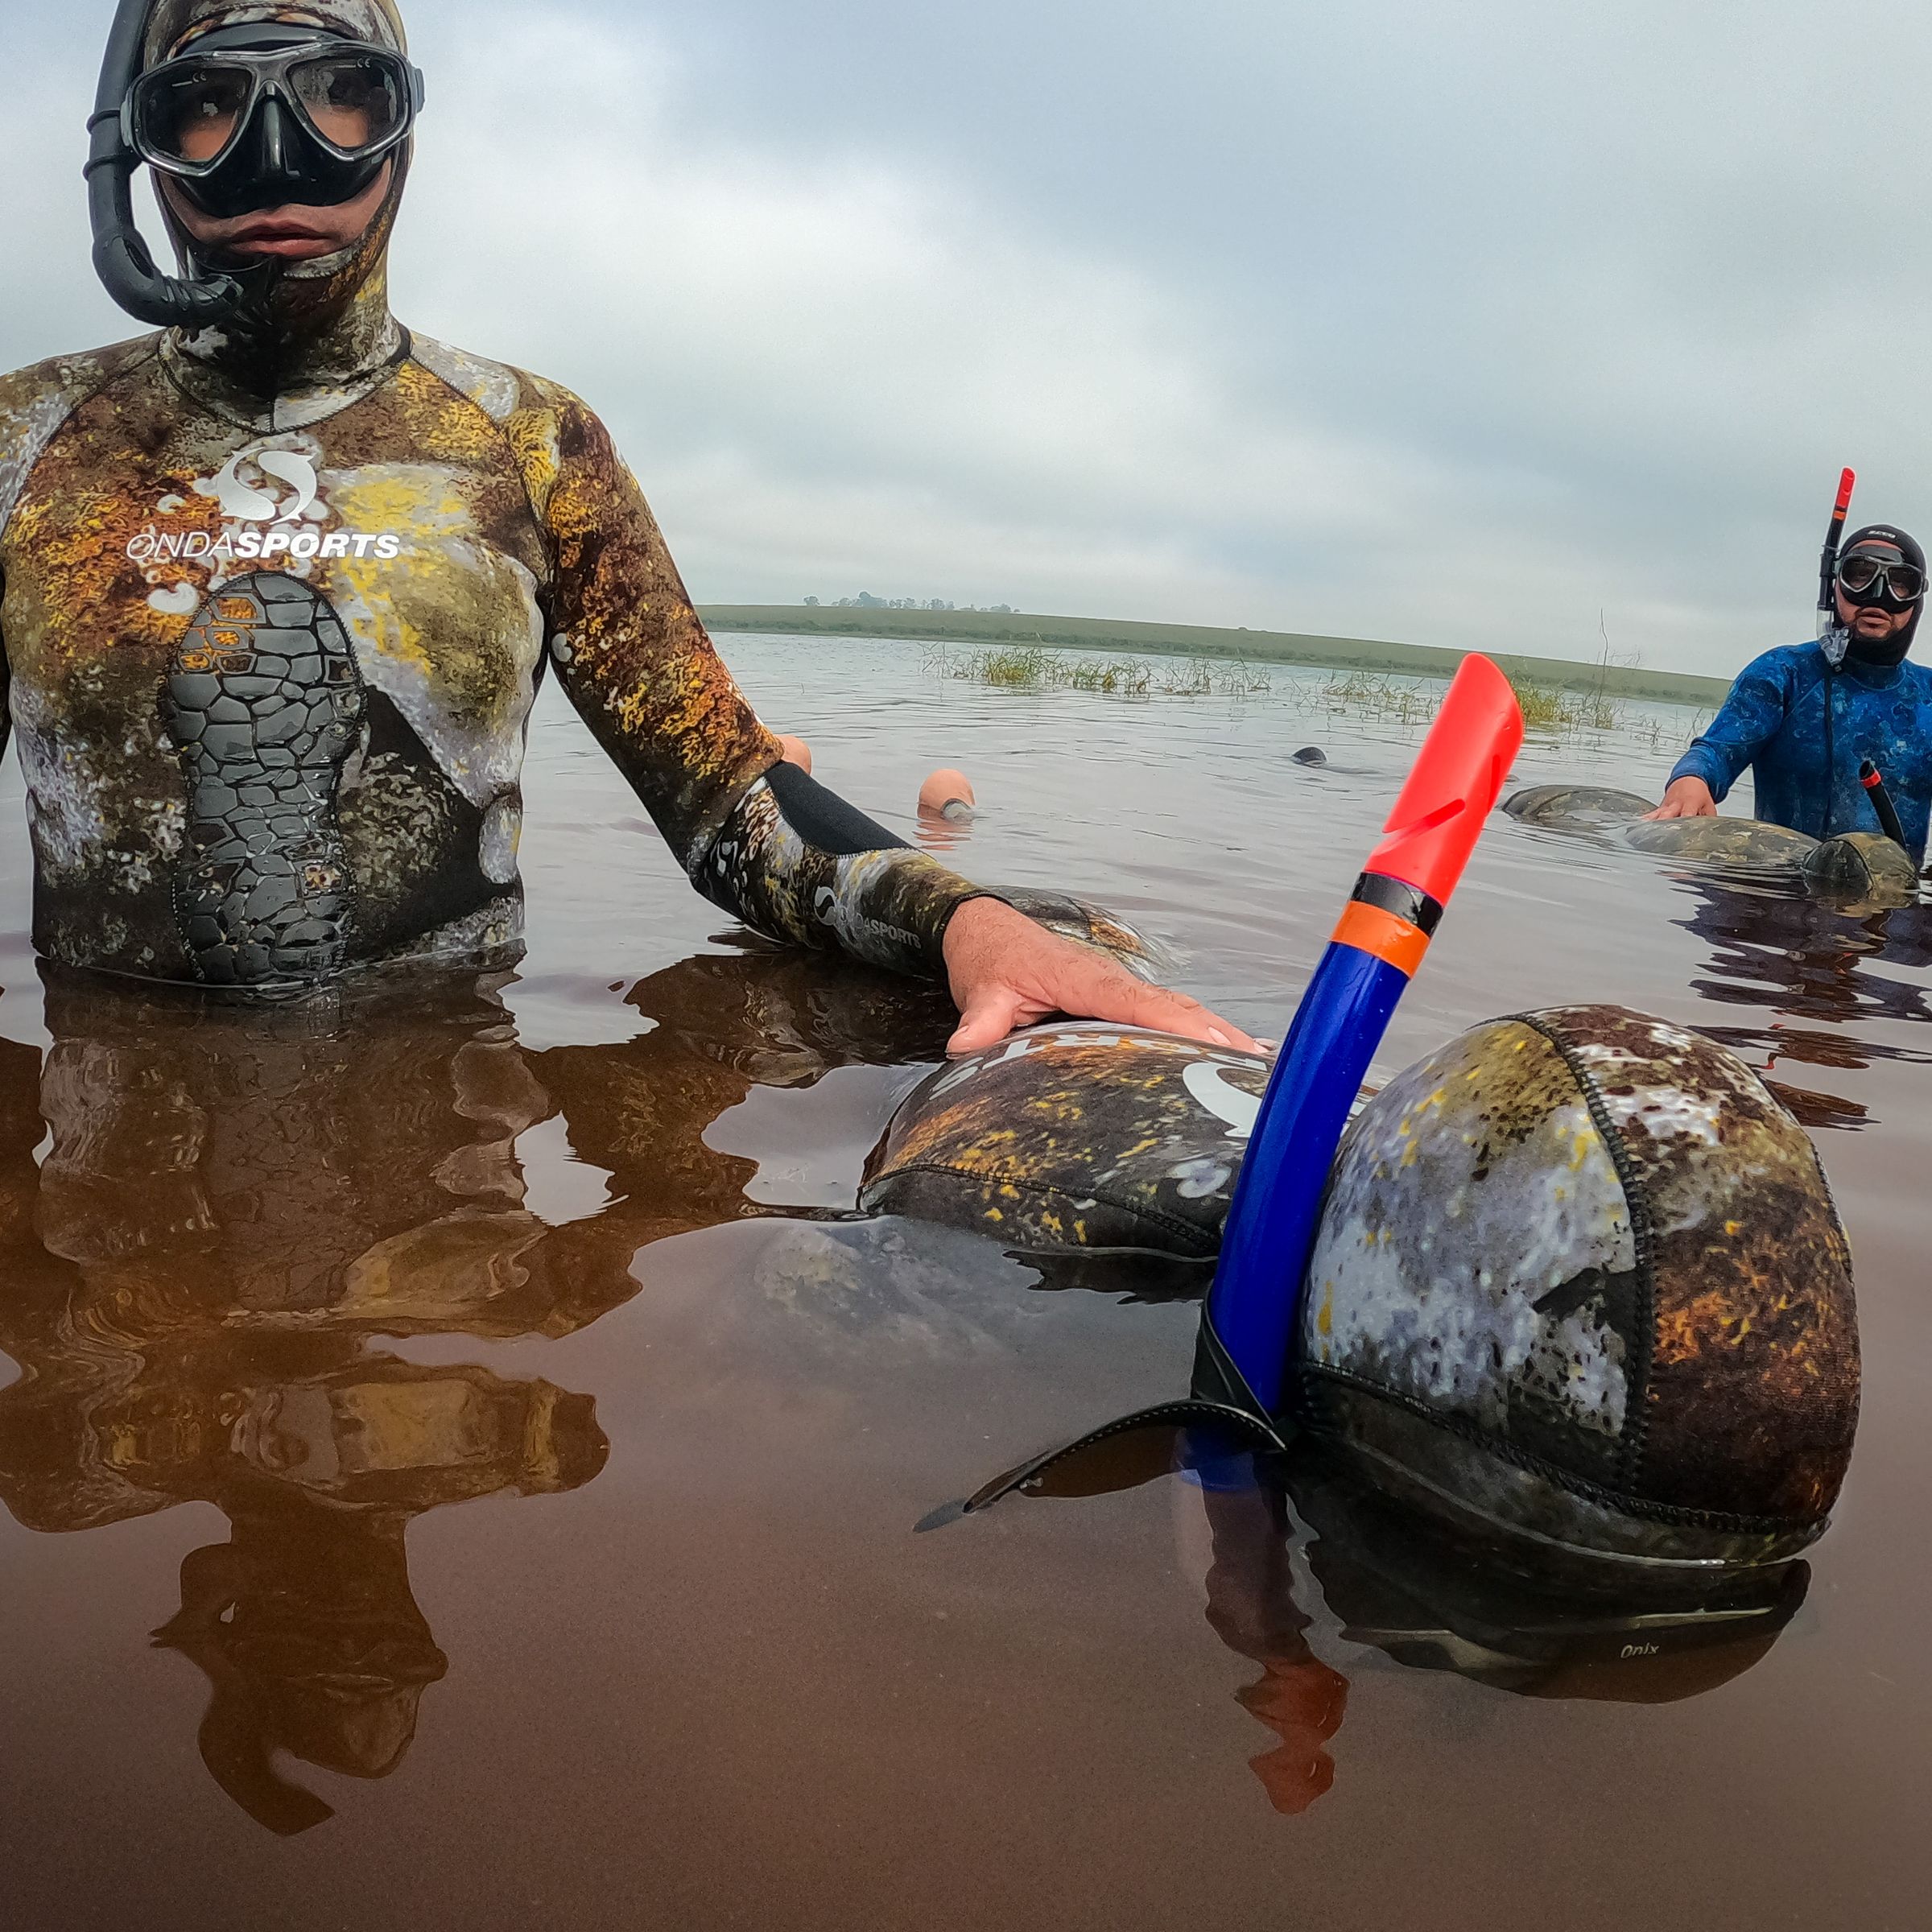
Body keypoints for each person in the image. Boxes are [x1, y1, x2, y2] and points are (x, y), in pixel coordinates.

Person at [0, 0, 1255, 1059]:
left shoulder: (526, 441)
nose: (273, 159)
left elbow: (728, 803)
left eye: (340, 94)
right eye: (206, 104)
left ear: (403, 131)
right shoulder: (27, 441)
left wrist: (967, 923)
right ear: (138, 147)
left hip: (438, 1154)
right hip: (107, 1149)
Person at [1647, 523, 1932, 858]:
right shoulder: (1784, 673)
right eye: (1859, 574)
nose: (1878, 594)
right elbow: (1716, 752)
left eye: (1900, 583)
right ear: (1833, 585)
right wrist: (1691, 780)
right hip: (1779, 889)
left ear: (1917, 601)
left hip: (1894, 900)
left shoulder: (1926, 696)